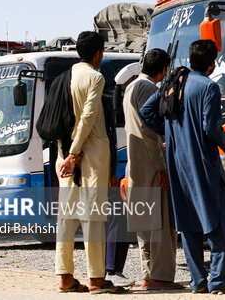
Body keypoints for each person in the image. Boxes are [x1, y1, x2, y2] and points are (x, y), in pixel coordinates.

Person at [141, 39, 225, 294]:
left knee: (188, 222)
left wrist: (168, 133)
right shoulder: (209, 87)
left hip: (177, 162)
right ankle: (220, 281)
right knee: (218, 220)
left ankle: (198, 281)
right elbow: (210, 128)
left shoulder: (174, 83)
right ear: (212, 64)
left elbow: (147, 111)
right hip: (202, 162)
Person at [55, 31, 124, 294]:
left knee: (67, 219)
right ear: (98, 54)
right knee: (93, 217)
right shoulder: (95, 77)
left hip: (64, 159)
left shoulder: (63, 78)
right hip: (89, 157)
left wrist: (68, 154)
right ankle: (96, 279)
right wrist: (76, 152)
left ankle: (65, 277)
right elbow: (88, 116)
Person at [123, 48, 183, 290]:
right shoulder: (148, 88)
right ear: (163, 69)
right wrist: (162, 165)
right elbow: (151, 132)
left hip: (134, 163)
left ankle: (149, 273)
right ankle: (159, 276)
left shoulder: (131, 86)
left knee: (145, 221)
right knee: (160, 221)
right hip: (150, 162)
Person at [99, 58, 134, 288]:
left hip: (95, 169)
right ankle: (111, 268)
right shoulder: (108, 101)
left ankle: (105, 267)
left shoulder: (93, 98)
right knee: (116, 219)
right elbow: (110, 141)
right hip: (108, 169)